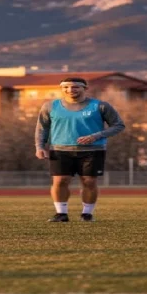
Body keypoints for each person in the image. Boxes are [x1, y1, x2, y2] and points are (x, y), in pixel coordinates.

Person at [35, 78, 125, 222]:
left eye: (75, 87)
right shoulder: (51, 106)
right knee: (60, 181)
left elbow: (118, 125)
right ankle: (61, 214)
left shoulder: (100, 106)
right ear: (62, 89)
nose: (70, 90)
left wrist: (96, 136)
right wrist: (39, 147)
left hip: (93, 150)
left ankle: (87, 214)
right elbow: (42, 129)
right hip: (60, 149)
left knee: (89, 182)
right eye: (66, 87)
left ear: (85, 88)